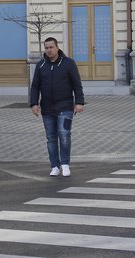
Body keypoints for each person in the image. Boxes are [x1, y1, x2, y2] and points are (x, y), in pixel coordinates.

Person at [30, 37, 84, 177]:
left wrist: (79, 102)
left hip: (65, 107)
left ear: (57, 47)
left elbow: (76, 84)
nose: (48, 50)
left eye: (51, 47)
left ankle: (65, 164)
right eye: (46, 48)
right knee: (51, 138)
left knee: (64, 135)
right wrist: (34, 103)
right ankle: (55, 165)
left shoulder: (68, 63)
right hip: (47, 109)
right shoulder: (41, 65)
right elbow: (35, 86)